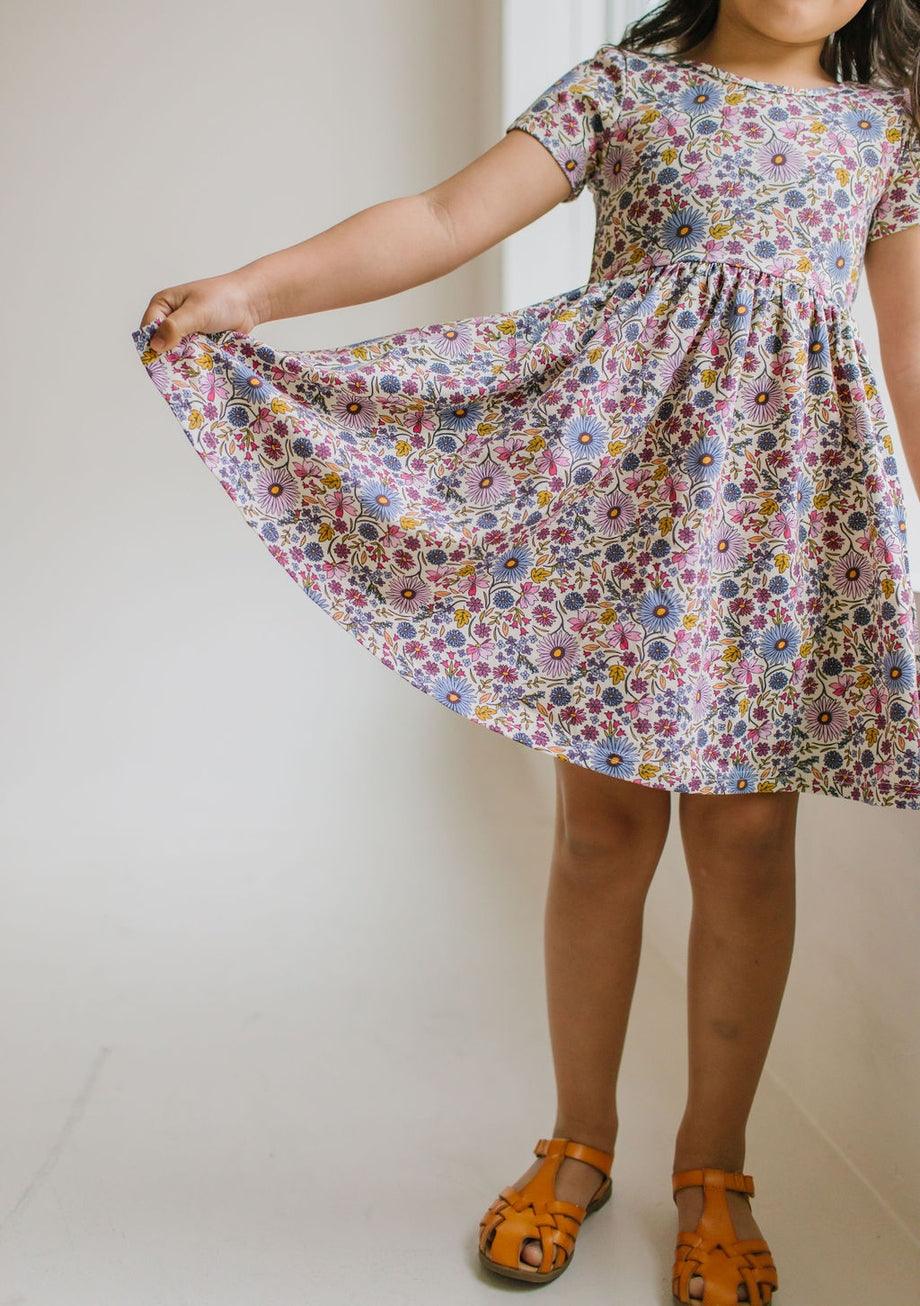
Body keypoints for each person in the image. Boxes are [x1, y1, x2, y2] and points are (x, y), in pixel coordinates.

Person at [133, 1, 920, 1300]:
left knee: (747, 843)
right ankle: (578, 1136)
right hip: (619, 519)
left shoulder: (884, 130)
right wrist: (248, 292)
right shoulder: (628, 90)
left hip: (777, 540)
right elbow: (445, 220)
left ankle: (713, 1162)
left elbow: (907, 352)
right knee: (601, 835)